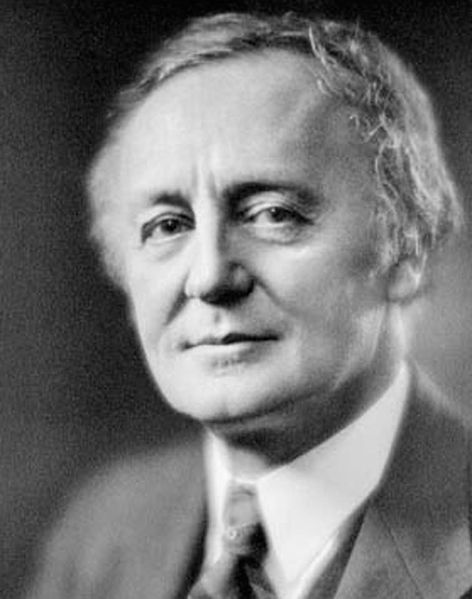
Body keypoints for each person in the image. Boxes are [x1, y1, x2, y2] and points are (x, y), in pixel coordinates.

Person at [27, 11, 471, 599]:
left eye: (273, 214)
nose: (210, 276)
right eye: (167, 226)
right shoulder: (101, 531)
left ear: (406, 248)